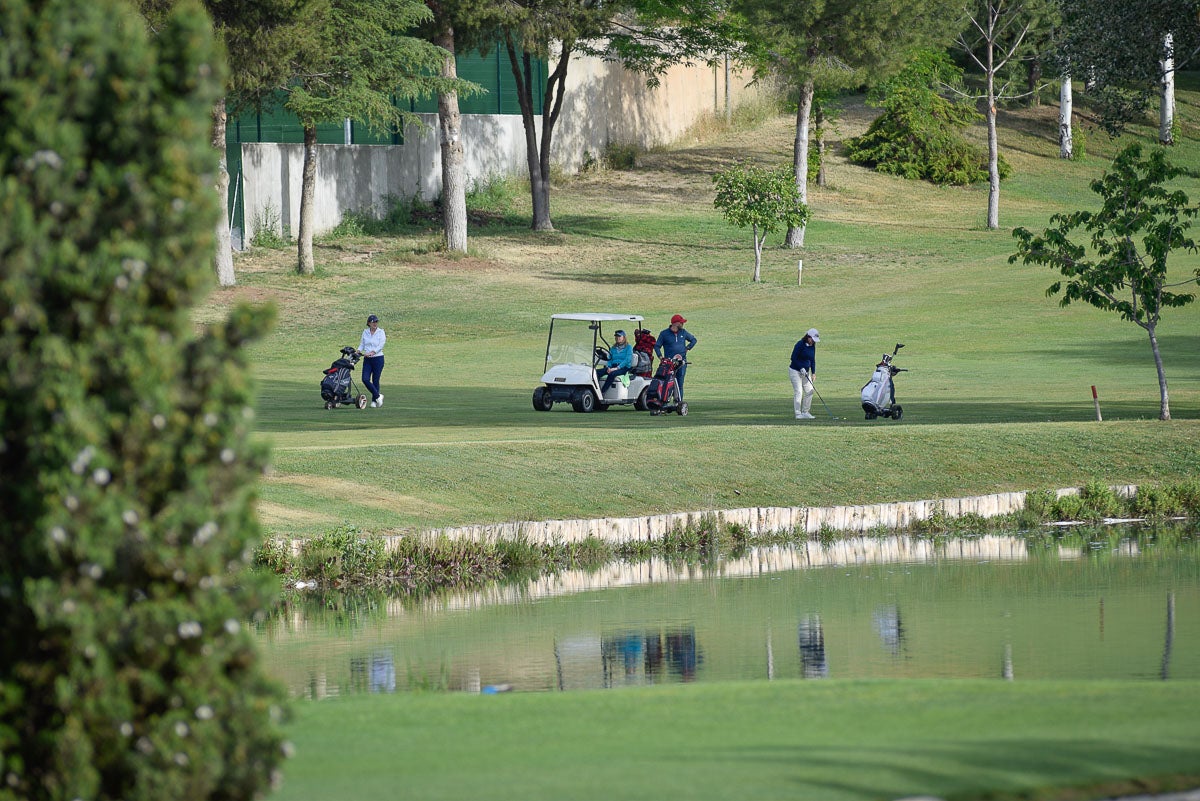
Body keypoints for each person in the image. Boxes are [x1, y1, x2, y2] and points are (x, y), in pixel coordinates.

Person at [654, 314, 697, 398]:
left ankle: (679, 403)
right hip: (669, 363)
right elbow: (657, 346)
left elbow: (693, 340)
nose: (683, 324)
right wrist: (660, 357)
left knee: (680, 383)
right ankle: (665, 401)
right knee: (667, 383)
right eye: (681, 322)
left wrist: (687, 348)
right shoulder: (664, 334)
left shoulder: (683, 332)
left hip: (681, 363)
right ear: (676, 323)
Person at [789, 327, 820, 420]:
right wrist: (800, 368)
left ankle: (805, 412)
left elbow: (812, 360)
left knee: (810, 391)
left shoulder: (812, 346)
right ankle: (798, 413)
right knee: (798, 391)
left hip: (806, 372)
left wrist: (813, 372)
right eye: (812, 339)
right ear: (808, 337)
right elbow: (793, 358)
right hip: (795, 371)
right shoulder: (800, 344)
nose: (813, 342)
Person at [358, 313, 386, 407]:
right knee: (365, 379)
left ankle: (374, 401)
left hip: (378, 359)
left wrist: (372, 352)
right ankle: (378, 396)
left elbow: (381, 345)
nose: (375, 323)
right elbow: (362, 344)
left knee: (375, 380)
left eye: (376, 322)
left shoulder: (381, 332)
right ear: (369, 323)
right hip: (367, 359)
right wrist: (358, 351)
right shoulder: (365, 332)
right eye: (373, 322)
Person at [597, 329, 633, 394]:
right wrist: (608, 367)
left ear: (624, 337)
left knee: (612, 374)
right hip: (613, 366)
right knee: (596, 373)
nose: (617, 338)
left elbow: (627, 360)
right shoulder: (613, 348)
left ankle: (602, 392)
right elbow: (610, 359)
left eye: (619, 336)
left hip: (623, 367)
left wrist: (616, 368)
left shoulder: (628, 347)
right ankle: (595, 390)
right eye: (616, 336)